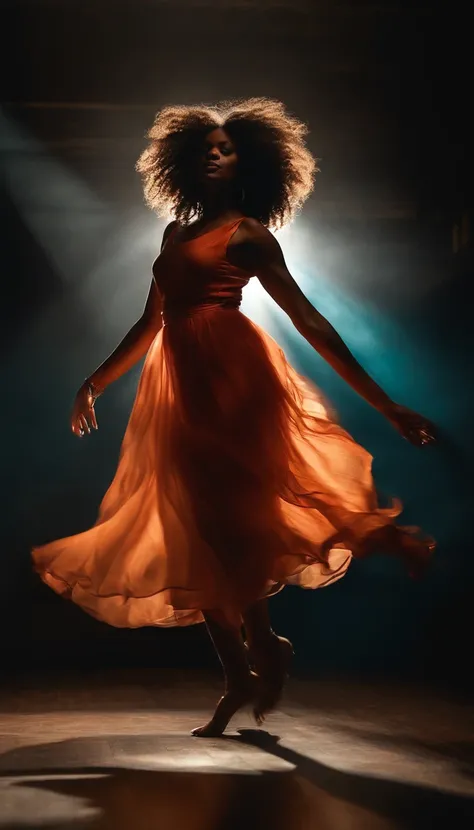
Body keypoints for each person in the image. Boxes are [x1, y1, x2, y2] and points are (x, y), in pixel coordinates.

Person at [31, 97, 436, 737]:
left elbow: (309, 321)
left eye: (227, 147)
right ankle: (247, 666)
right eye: (206, 147)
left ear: (249, 161)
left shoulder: (248, 235)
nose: (215, 154)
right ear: (185, 162)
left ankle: (291, 624)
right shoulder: (174, 234)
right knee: (196, 530)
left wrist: (385, 404)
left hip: (233, 379)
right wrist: (95, 382)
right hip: (177, 385)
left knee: (230, 522)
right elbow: (149, 322)